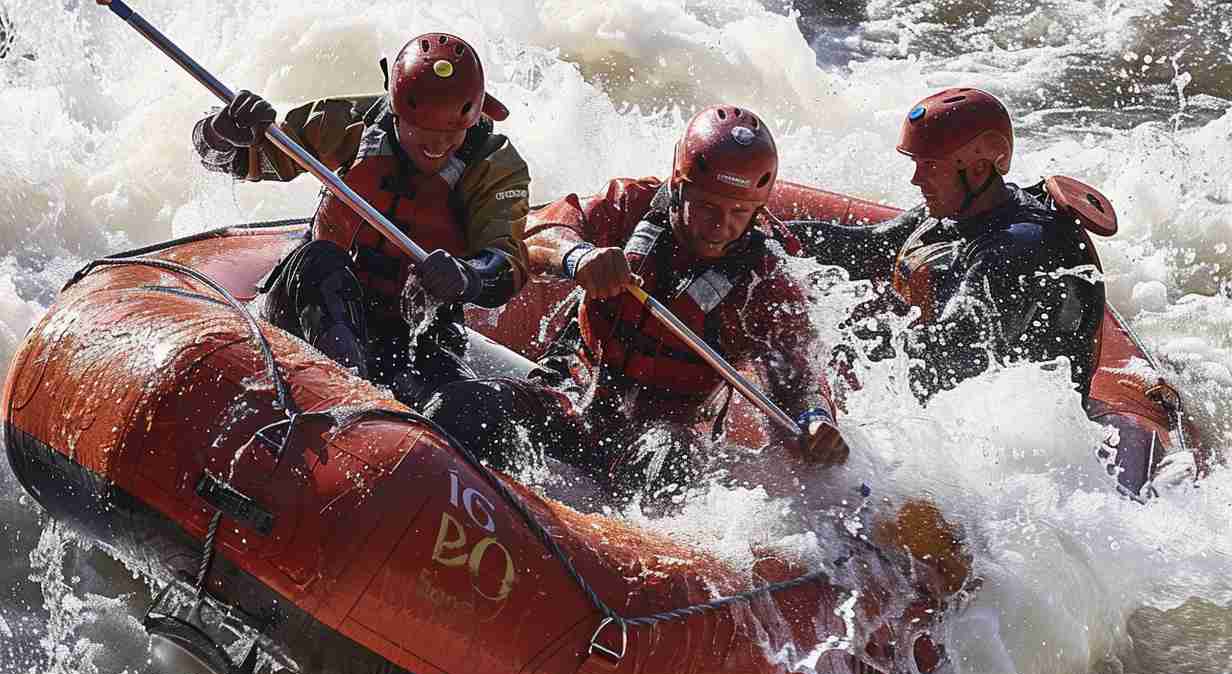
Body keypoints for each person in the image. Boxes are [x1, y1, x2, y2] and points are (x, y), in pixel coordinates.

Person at [423, 105, 848, 509]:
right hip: (571, 394)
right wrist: (578, 258)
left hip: (661, 433)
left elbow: (799, 379)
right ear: (679, 187)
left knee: (669, 457)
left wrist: (813, 419)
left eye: (740, 212)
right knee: (459, 408)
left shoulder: (764, 281)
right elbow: (538, 233)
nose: (721, 228)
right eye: (706, 207)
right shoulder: (629, 204)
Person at [788, 86, 1171, 495]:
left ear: (976, 166)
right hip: (962, 415)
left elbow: (942, 353)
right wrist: (767, 236)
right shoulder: (957, 213)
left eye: (928, 165)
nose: (916, 178)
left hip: (1017, 453)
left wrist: (827, 344)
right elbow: (862, 246)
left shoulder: (1019, 250)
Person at [192, 33, 531, 402]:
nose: (437, 147)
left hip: (415, 329)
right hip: (316, 299)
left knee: (470, 407)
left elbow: (504, 261)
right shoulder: (349, 122)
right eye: (423, 133)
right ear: (398, 112)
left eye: (451, 135)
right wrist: (221, 133)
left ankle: (391, 427)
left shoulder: (494, 166)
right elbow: (229, 158)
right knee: (319, 259)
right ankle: (351, 396)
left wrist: (468, 275)